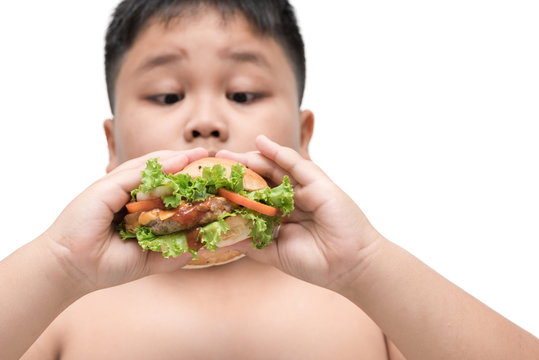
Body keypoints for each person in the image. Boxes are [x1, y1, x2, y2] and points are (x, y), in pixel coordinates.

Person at [0, 0, 537, 359]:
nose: (205, 119)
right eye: (167, 95)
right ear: (112, 144)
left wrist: (368, 266)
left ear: (302, 137)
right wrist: (60, 263)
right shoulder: (62, 303)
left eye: (243, 93)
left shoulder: (368, 302)